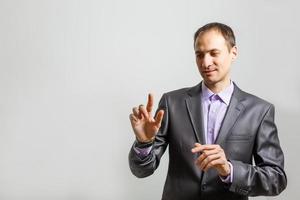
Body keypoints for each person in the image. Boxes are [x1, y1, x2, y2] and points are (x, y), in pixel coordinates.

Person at [128, 22, 287, 200]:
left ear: (233, 52)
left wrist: (229, 169)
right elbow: (141, 170)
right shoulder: (172, 103)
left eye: (214, 53)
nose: (205, 62)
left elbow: (276, 179)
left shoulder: (259, 111)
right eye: (199, 54)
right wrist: (144, 143)